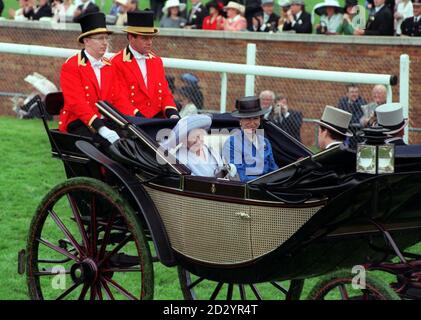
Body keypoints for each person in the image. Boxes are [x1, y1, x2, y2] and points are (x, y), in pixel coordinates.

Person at [59, 12, 135, 145]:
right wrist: (101, 128)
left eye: (106, 38)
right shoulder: (71, 66)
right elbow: (77, 103)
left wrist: (134, 119)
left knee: (132, 141)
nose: (105, 43)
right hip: (80, 122)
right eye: (100, 38)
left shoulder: (109, 65)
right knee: (111, 146)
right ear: (86, 41)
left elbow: (118, 98)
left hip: (106, 120)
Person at [112, 10, 180, 119]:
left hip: (157, 119)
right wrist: (139, 117)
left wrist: (172, 113)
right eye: (144, 38)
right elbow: (119, 98)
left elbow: (164, 93)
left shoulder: (156, 61)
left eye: (151, 37)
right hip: (132, 121)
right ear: (131, 38)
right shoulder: (117, 62)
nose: (150, 42)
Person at [223, 96, 279, 182]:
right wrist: (266, 182)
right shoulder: (232, 143)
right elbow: (239, 174)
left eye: (256, 118)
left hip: (268, 185)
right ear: (240, 121)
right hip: (248, 187)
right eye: (247, 119)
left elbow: (273, 168)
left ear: (260, 120)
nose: (252, 123)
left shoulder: (265, 142)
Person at [160, 115, 231, 177]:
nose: (198, 141)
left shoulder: (210, 151)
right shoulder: (179, 157)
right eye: (194, 138)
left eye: (200, 136)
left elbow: (222, 169)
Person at [337, 84, 366, 148]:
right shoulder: (342, 101)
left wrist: (347, 119)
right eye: (352, 92)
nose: (354, 94)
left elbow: (356, 119)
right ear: (347, 94)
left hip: (356, 133)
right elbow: (340, 115)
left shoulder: (362, 103)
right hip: (344, 131)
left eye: (356, 92)